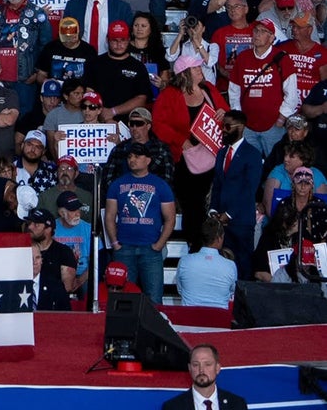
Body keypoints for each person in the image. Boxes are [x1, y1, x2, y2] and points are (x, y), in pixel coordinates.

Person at [103, 136, 177, 302]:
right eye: (130, 157)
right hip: (124, 249)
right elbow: (109, 216)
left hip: (150, 250)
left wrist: (159, 244)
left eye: (137, 156)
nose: (132, 160)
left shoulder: (161, 185)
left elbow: (170, 218)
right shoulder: (117, 184)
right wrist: (115, 243)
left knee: (154, 298)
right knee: (123, 298)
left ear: (148, 160)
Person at [173, 215, 239, 309]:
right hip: (218, 320)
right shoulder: (230, 265)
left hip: (189, 319)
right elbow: (232, 291)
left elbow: (180, 289)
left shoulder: (185, 261)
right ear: (219, 238)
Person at [160, 342, 249, 410]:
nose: (201, 370)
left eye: (207, 364)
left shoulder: (237, 404)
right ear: (190, 368)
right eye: (196, 364)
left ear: (217, 368)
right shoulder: (173, 407)